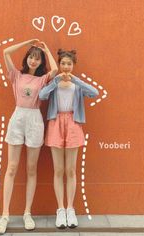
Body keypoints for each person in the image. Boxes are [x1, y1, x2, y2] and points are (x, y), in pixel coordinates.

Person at [0, 39, 58, 234]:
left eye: (37, 59)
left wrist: (45, 48)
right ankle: (5, 214)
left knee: (31, 169)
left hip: (35, 120)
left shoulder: (42, 79)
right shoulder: (17, 75)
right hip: (18, 117)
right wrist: (28, 43)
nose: (33, 61)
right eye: (31, 57)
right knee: (11, 167)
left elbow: (55, 70)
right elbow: (5, 52)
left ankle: (27, 213)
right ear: (27, 58)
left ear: (40, 62)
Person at [39, 49, 99, 229]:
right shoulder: (55, 83)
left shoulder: (77, 84)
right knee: (58, 170)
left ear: (73, 66)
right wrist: (55, 81)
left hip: (73, 123)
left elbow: (94, 92)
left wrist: (77, 80)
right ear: (60, 65)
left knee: (70, 170)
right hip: (56, 123)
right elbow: (41, 95)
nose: (65, 67)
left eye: (69, 64)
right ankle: (60, 210)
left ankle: (70, 209)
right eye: (63, 63)